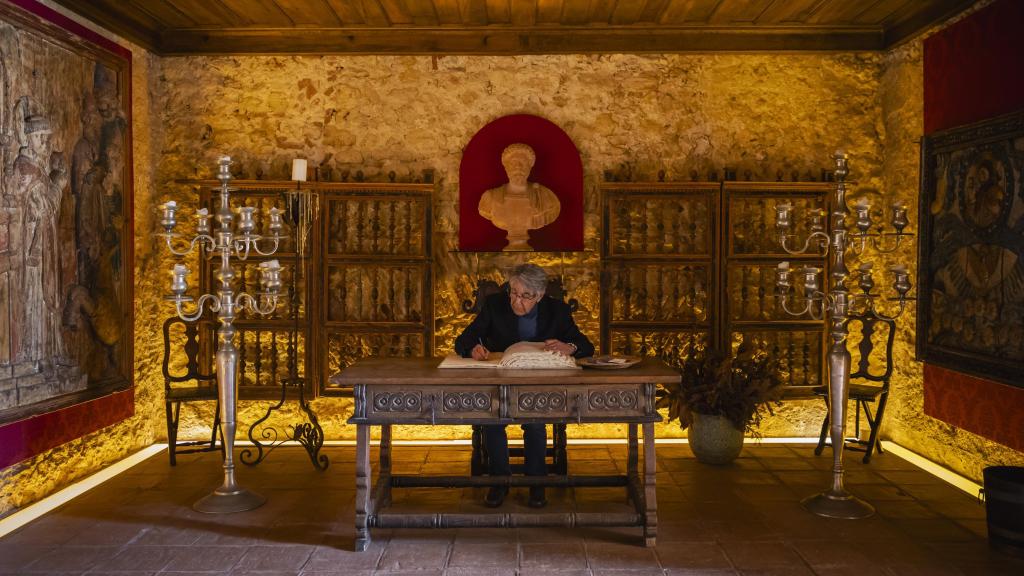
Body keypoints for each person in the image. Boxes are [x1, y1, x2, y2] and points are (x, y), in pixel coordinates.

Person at [454, 263, 594, 508]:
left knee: (535, 422)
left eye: (525, 296)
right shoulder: (495, 305)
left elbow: (585, 345)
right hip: (500, 381)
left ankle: (536, 483)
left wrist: (569, 347)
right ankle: (500, 481)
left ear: (539, 295)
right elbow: (463, 340)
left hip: (538, 384)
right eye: (513, 293)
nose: (516, 301)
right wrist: (472, 349)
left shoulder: (557, 310)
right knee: (494, 422)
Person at [478, 143, 561, 251]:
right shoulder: (490, 197)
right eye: (513, 163)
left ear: (529, 167)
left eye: (523, 162)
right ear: (506, 167)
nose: (518, 166)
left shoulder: (544, 196)